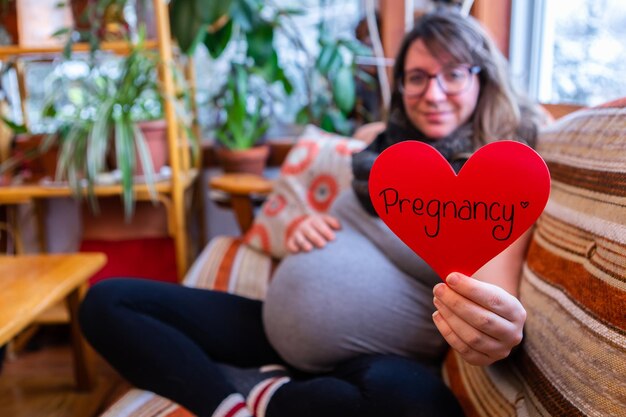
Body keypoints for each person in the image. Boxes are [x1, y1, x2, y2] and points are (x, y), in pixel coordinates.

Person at [79, 10, 546, 417]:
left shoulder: (498, 179)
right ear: (401, 83)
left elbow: (496, 293)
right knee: (107, 302)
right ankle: (233, 404)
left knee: (417, 406)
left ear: (482, 77)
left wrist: (497, 328)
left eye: (453, 74)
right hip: (270, 324)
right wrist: (299, 225)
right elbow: (326, 223)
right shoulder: (376, 142)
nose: (433, 93)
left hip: (375, 356)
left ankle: (258, 393)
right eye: (417, 76)